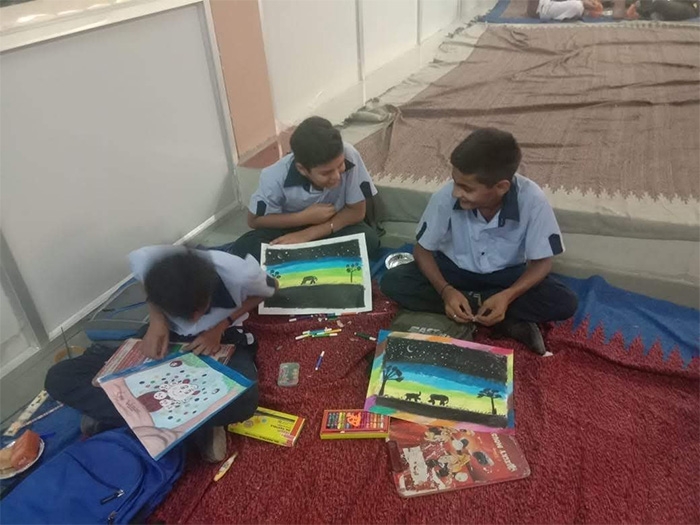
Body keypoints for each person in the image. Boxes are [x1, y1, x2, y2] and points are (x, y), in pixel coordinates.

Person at [45, 246, 276, 462]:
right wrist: (157, 320)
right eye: (184, 314)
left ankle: (124, 416)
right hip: (167, 334)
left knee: (244, 400)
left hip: (220, 337)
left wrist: (220, 326)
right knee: (59, 377)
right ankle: (195, 424)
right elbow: (147, 285)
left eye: (198, 311)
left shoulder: (238, 272)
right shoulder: (147, 260)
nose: (193, 320)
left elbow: (270, 288)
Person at [380, 128, 578, 355]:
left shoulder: (532, 200)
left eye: (467, 188)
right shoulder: (445, 197)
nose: (456, 193)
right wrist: (446, 291)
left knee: (564, 302)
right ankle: (500, 317)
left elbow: (542, 263)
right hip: (454, 273)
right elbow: (422, 251)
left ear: (501, 187)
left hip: (505, 278)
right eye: (455, 182)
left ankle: (483, 308)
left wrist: (508, 296)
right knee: (394, 281)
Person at [226, 116, 380, 261]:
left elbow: (356, 211)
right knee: (245, 247)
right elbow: (254, 221)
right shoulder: (274, 176)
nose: (337, 176)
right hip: (289, 228)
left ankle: (296, 260)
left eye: (340, 166)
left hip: (332, 225)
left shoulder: (348, 154)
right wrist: (302, 218)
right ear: (302, 169)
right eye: (326, 173)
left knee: (368, 239)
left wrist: (308, 234)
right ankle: (320, 259)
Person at [528, 0, 603, 20]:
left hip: (552, 4)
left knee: (579, 5)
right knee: (578, 6)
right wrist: (583, 2)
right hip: (543, 7)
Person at [626, 0, 699, 20]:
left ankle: (642, 15)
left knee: (658, 4)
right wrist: (634, 5)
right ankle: (641, 16)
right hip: (666, 8)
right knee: (655, 11)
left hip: (689, 8)